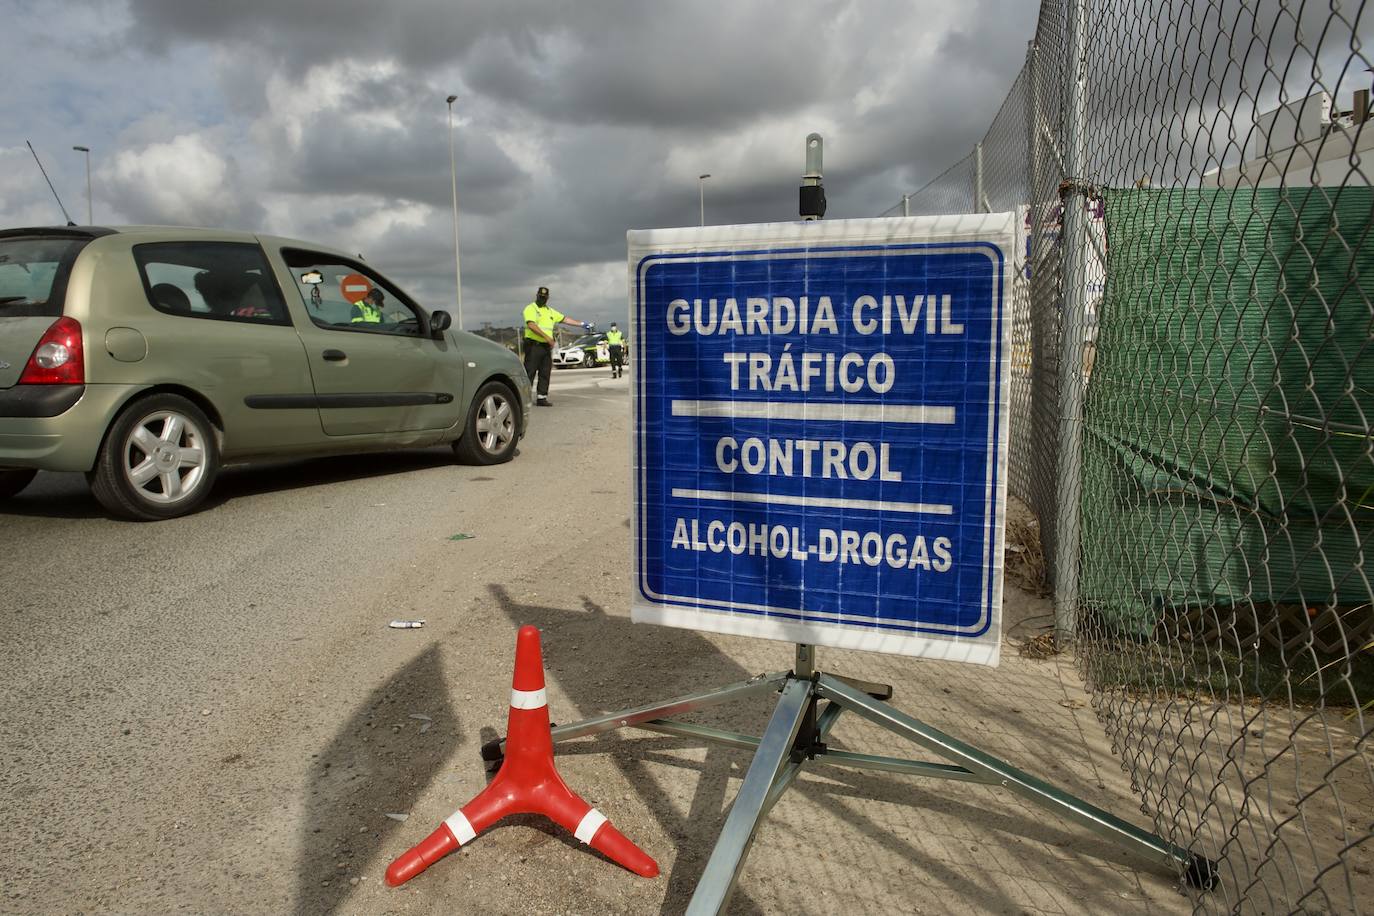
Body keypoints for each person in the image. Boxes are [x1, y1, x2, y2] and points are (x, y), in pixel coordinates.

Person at [522, 286, 591, 407]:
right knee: (529, 372)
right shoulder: (531, 308)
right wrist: (547, 337)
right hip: (533, 345)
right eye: (540, 296)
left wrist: (581, 324)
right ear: (537, 295)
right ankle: (524, 399)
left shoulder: (550, 311)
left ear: (547, 298)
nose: (542, 299)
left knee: (545, 372)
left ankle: (541, 397)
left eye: (544, 297)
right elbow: (531, 325)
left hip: (545, 347)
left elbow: (565, 319)